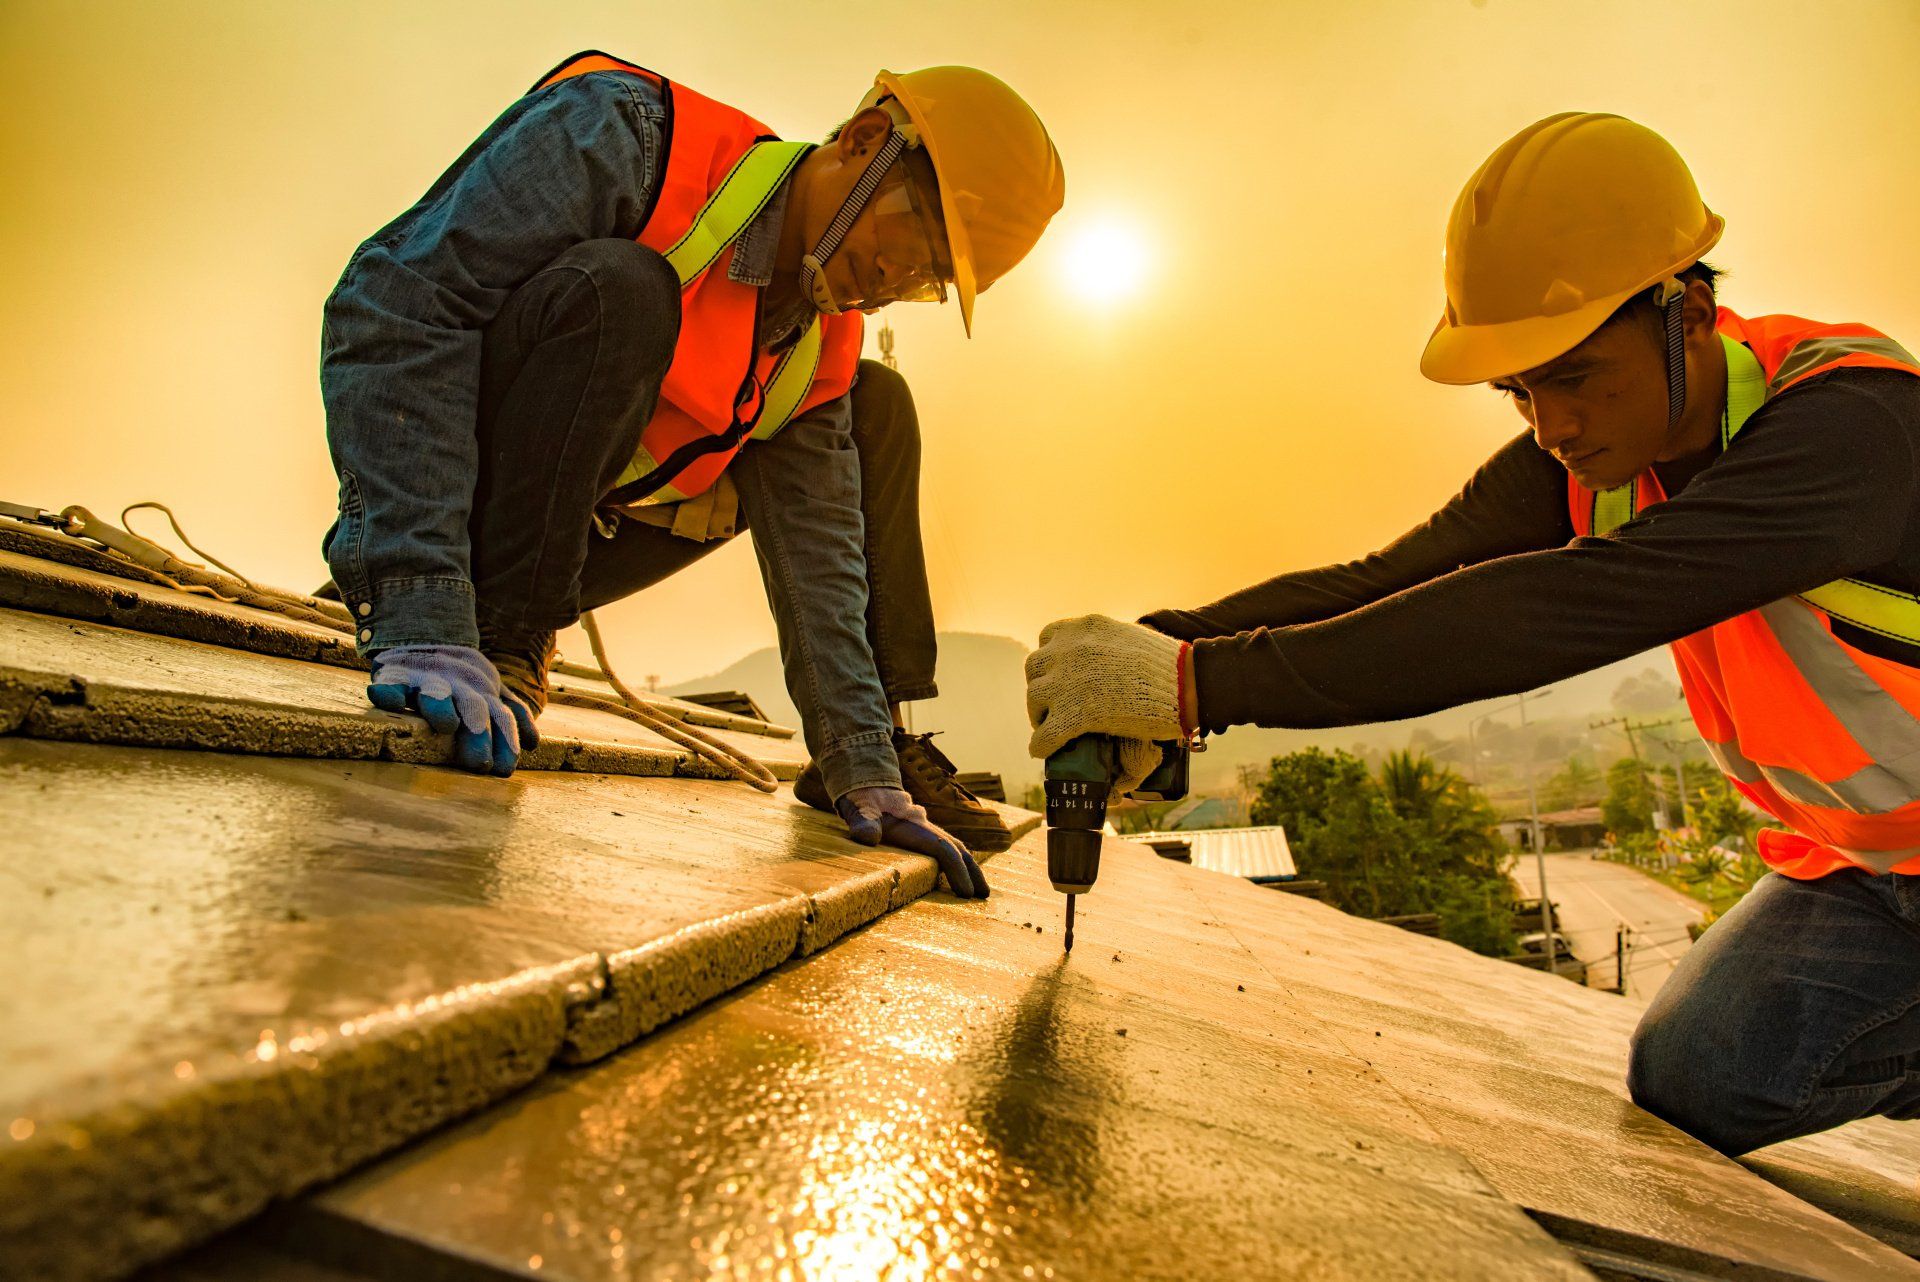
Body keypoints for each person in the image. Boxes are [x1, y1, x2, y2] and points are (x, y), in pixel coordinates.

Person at [1025, 112, 1920, 1153]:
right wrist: (1153, 647)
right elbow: (1395, 580)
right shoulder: (1590, 463)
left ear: (1691, 314)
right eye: (1519, 391)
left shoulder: (1852, 427)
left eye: (1575, 376)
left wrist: (1198, 687)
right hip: (1863, 871)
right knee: (1698, 1076)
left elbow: (1561, 610)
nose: (1551, 425)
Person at [322, 51, 1066, 898]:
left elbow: (821, 563)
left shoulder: (822, 345)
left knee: (876, 401)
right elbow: (397, 299)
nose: (894, 287)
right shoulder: (623, 136)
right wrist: (420, 598)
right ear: (864, 142)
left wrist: (862, 762)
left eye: (928, 282)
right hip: (455, 481)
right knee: (627, 290)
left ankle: (877, 742)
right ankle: (486, 630)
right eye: (911, 243)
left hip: (577, 533)